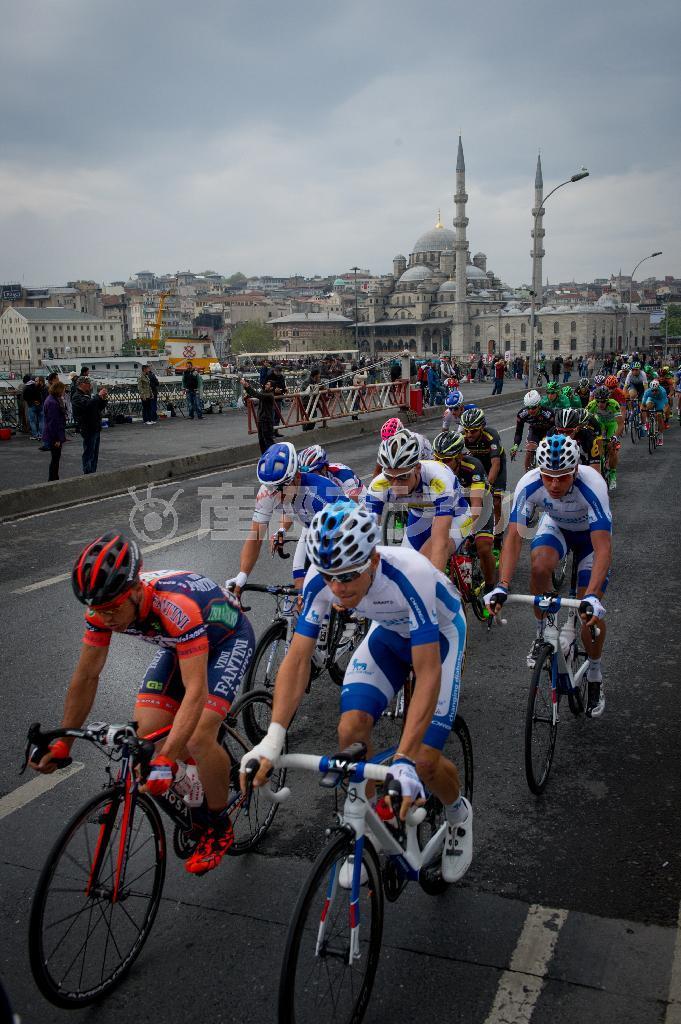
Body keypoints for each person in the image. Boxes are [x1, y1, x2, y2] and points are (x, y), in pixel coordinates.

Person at [242, 501, 473, 885]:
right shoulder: (325, 579)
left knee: (423, 760)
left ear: (372, 561)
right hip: (388, 633)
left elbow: (428, 672)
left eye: (348, 576)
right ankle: (363, 827)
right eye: (330, 576)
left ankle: (457, 813)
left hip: (440, 638)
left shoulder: (409, 573)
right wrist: (273, 737)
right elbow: (298, 659)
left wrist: (403, 759)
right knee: (350, 730)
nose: (338, 588)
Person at [30, 533, 255, 877]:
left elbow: (195, 691)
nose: (106, 619)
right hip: (176, 644)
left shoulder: (176, 606)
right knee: (148, 735)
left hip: (226, 639)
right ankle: (194, 781)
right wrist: (64, 743)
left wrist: (168, 759)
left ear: (136, 589)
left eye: (113, 609)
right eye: (99, 610)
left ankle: (218, 826)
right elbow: (86, 676)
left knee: (196, 737)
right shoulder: (102, 608)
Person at [485, 434, 611, 717]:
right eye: (548, 477)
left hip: (590, 540)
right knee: (539, 565)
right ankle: (545, 630)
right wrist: (502, 585)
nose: (554, 485)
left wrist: (592, 596)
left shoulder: (593, 486)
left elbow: (603, 549)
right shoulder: (529, 483)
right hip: (557, 527)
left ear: (575, 471)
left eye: (563, 478)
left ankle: (594, 673)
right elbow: (514, 538)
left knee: (586, 611)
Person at [225, 442, 345, 598]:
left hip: (340, 533)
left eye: (280, 488)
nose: (276, 495)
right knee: (300, 586)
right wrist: (242, 575)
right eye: (270, 488)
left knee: (329, 590)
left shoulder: (321, 493)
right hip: (311, 528)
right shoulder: (270, 491)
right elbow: (255, 537)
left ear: (296, 476)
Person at [364, 429, 472, 571]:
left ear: (417, 468)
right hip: (419, 516)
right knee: (404, 567)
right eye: (390, 477)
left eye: (403, 477)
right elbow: (366, 540)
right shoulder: (379, 485)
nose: (396, 485)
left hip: (457, 516)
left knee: (424, 564)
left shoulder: (438, 480)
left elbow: (440, 544)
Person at [432, 431, 497, 589]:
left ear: (459, 457)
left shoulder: (473, 467)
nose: (441, 464)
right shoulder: (432, 470)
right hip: (455, 506)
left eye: (446, 460)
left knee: (483, 546)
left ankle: (490, 587)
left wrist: (467, 530)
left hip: (479, 504)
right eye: (437, 459)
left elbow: (476, 505)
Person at [459, 408, 507, 547]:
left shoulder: (491, 436)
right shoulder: (462, 437)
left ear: (482, 427)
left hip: (495, 465)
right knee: (471, 500)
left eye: (473, 431)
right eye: (466, 430)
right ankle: (473, 532)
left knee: (496, 501)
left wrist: (488, 486)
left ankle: (498, 539)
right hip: (477, 466)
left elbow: (496, 464)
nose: (469, 434)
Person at [587, 385, 624, 487]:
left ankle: (612, 474)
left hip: (612, 424)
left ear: (607, 400)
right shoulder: (592, 405)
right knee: (598, 445)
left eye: (603, 401)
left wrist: (615, 437)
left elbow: (621, 424)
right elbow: (584, 420)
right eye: (598, 401)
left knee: (612, 447)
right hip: (600, 424)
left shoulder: (614, 404)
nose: (600, 404)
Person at [510, 390, 555, 471]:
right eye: (528, 408)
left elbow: (554, 429)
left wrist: (547, 438)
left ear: (539, 405)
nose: (531, 410)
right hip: (534, 431)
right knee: (529, 450)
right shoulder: (522, 414)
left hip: (548, 432)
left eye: (533, 407)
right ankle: (528, 474)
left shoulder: (548, 413)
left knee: (547, 452)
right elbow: (518, 432)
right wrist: (515, 445)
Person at [71, 376, 108, 475]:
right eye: (88, 384)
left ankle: (93, 472)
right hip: (87, 427)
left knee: (94, 453)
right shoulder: (77, 396)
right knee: (89, 452)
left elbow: (97, 407)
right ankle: (88, 472)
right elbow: (87, 406)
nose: (90, 386)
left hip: (95, 426)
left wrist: (103, 399)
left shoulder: (87, 394)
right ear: (82, 384)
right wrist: (97, 396)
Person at [241, 376, 276, 453]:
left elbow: (257, 394)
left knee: (268, 440)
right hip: (261, 420)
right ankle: (264, 457)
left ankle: (274, 455)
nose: (265, 385)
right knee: (261, 441)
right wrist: (247, 386)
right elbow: (255, 394)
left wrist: (247, 386)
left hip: (266, 421)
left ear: (271, 388)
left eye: (268, 385)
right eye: (266, 384)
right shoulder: (264, 393)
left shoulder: (269, 395)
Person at [41, 379, 67, 480]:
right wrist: (57, 439)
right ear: (59, 390)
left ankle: (54, 477)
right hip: (54, 435)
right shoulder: (52, 402)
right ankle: (53, 478)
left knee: (55, 458)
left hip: (53, 433)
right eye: (63, 389)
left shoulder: (51, 399)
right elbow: (53, 422)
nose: (64, 391)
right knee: (55, 458)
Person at [640, 379, 668, 446]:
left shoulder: (663, 392)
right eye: (653, 390)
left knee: (659, 416)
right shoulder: (647, 392)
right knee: (648, 407)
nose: (654, 392)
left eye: (656, 390)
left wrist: (663, 412)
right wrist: (642, 410)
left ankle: (660, 437)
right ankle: (648, 420)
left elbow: (666, 405)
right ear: (650, 389)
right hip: (651, 399)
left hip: (660, 400)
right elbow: (642, 404)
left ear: (658, 388)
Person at [24, 375, 46, 440]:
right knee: (41, 420)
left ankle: (35, 435)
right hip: (39, 405)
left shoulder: (27, 388)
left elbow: (25, 398)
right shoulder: (37, 387)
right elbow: (40, 396)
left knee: (32, 421)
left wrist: (30, 401)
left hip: (31, 406)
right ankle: (41, 434)